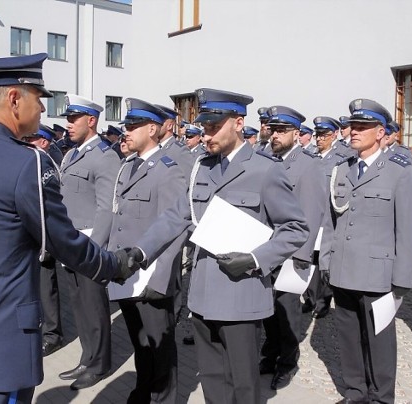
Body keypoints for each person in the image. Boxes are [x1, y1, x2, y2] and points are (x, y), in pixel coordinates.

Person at [0, 53, 135, 403]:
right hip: (2, 354)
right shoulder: (26, 163)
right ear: (15, 99)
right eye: (38, 99)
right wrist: (114, 264)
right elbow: (64, 241)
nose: (43, 112)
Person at [126, 88, 309, 404]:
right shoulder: (203, 167)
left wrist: (254, 258)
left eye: (213, 126)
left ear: (238, 123)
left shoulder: (265, 170)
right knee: (213, 384)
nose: (206, 134)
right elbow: (177, 215)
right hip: (203, 295)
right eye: (204, 127)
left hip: (242, 294)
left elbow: (295, 229)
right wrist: (139, 252)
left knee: (243, 387)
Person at [329, 98, 412, 403]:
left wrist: (402, 278)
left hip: (377, 274)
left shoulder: (399, 171)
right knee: (348, 338)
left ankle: (381, 397)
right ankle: (356, 392)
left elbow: (406, 229)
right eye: (353, 126)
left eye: (362, 127)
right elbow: (332, 221)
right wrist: (328, 259)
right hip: (342, 269)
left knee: (380, 341)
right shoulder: (342, 169)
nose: (353, 131)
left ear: (380, 132)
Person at [108, 98, 188, 403]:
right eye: (126, 126)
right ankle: (143, 391)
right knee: (140, 344)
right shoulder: (129, 166)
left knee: (160, 349)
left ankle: (162, 398)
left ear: (152, 129)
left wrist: (160, 280)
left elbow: (175, 228)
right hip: (127, 274)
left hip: (150, 278)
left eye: (133, 126)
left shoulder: (167, 171)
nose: (126, 132)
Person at [259, 106, 330, 390]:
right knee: (268, 308)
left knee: (287, 311)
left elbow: (312, 211)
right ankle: (269, 353)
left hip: (291, 251)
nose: (275, 135)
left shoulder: (308, 164)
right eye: (272, 130)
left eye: (281, 131)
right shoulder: (266, 159)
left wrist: (302, 254)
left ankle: (287, 362)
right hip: (266, 248)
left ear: (296, 134)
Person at [58, 94, 122, 389]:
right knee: (79, 305)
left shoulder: (105, 156)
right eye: (68, 119)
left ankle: (99, 364)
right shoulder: (71, 154)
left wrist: (94, 250)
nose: (68, 125)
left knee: (95, 308)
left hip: (89, 245)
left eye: (74, 119)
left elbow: (106, 207)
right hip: (71, 244)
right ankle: (87, 357)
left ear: (91, 121)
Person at [302, 116, 354, 318]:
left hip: (327, 218)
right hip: (310, 217)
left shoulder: (340, 158)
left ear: (333, 135)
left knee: (324, 260)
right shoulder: (311, 155)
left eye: (324, 135)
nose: (320, 139)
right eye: (318, 135)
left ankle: (324, 300)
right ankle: (309, 297)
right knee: (309, 259)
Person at [20, 124, 65, 357]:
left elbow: (49, 206)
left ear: (45, 142)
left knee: (47, 287)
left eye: (34, 139)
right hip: (29, 236)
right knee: (35, 287)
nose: (29, 142)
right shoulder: (30, 161)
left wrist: (48, 242)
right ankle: (41, 327)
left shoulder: (45, 163)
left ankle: (53, 334)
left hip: (43, 237)